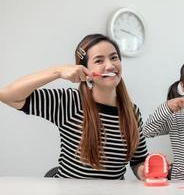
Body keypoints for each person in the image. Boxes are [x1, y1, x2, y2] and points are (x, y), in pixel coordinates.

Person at [0, 34, 148, 179]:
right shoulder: (69, 102)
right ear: (85, 71)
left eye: (114, 57)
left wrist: (143, 170)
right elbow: (6, 95)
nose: (110, 66)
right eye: (99, 60)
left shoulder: (132, 111)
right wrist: (58, 71)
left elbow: (138, 160)